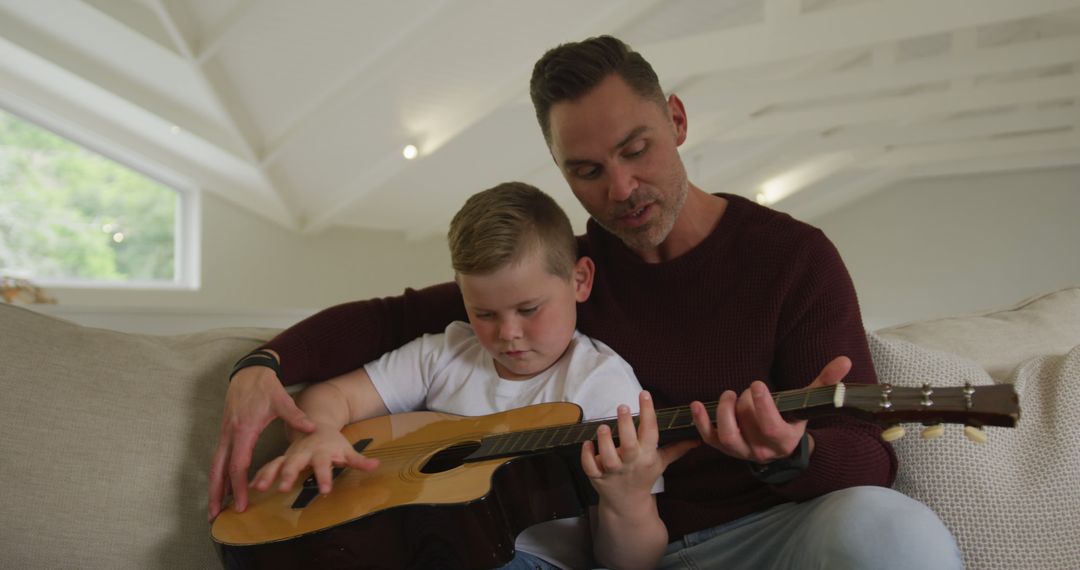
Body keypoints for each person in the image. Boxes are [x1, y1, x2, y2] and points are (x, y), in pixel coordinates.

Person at [211, 36, 962, 569]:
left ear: (676, 119)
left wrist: (790, 455)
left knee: (890, 531)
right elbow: (386, 319)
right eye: (588, 170)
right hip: (610, 550)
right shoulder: (559, 282)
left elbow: (868, 459)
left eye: (636, 151)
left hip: (770, 537)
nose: (621, 190)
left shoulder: (793, 259)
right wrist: (263, 365)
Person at [244, 182, 696, 570]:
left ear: (579, 280)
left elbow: (630, 562)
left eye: (528, 309)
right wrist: (320, 430)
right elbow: (334, 395)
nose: (508, 334)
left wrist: (626, 500)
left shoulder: (601, 386)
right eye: (484, 313)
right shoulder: (446, 354)